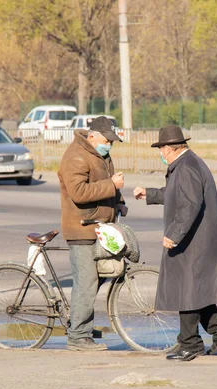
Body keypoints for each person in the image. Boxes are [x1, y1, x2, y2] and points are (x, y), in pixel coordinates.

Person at [133, 125, 217, 362]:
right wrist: (149, 194)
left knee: (187, 291)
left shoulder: (187, 167)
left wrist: (175, 234)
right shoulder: (187, 163)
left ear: (169, 148)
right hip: (198, 240)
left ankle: (190, 344)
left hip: (194, 241)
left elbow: (190, 204)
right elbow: (175, 193)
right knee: (195, 289)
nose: (160, 153)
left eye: (161, 149)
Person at [58, 116, 126, 351]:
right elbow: (79, 193)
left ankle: (78, 322)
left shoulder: (101, 155)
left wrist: (119, 202)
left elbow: (107, 183)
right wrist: (113, 187)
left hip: (99, 227)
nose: (111, 144)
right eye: (108, 140)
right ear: (93, 136)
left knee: (100, 276)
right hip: (82, 228)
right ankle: (77, 336)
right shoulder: (76, 155)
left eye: (113, 141)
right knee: (86, 282)